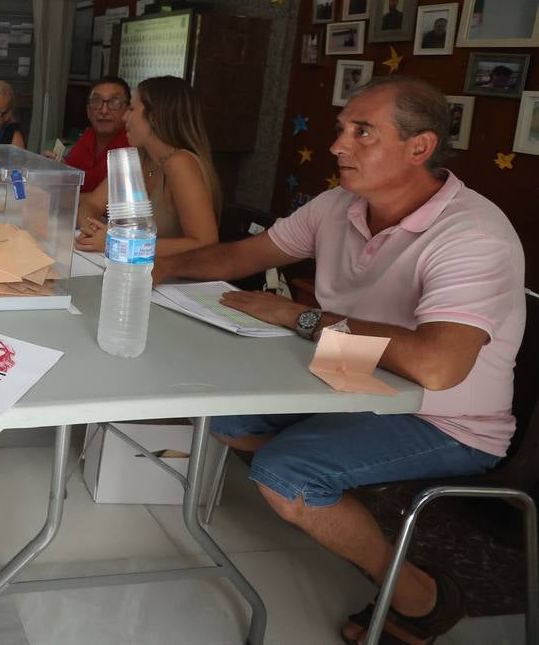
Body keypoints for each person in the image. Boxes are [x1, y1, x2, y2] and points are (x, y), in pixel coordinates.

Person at [153, 76, 524, 644]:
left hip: (447, 418)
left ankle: (421, 596)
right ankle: (335, 499)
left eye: (363, 132)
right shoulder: (338, 205)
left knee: (286, 471)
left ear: (419, 147)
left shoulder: (473, 235)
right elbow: (239, 255)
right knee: (223, 412)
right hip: (351, 377)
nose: (337, 145)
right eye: (341, 129)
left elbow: (437, 368)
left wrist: (298, 317)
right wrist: (141, 267)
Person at [75, 75, 220, 258]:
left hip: (175, 281)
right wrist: (92, 228)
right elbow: (91, 203)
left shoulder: (180, 163)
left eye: (132, 109)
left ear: (154, 116)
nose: (125, 117)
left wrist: (120, 244)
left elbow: (206, 244)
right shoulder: (141, 157)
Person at [56, 75, 131, 194]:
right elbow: (70, 171)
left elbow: (113, 197)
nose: (104, 111)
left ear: (128, 110)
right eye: (96, 102)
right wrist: (57, 166)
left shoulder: (132, 143)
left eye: (114, 102)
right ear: (88, 111)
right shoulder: (88, 135)